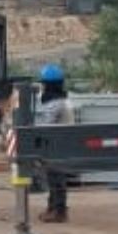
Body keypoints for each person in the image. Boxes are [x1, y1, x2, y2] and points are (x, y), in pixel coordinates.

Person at [36, 64, 75, 223]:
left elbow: (47, 124)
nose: (42, 87)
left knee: (56, 178)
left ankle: (59, 211)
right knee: (55, 177)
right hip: (62, 142)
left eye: (44, 84)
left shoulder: (55, 103)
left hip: (56, 144)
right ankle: (53, 208)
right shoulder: (63, 99)